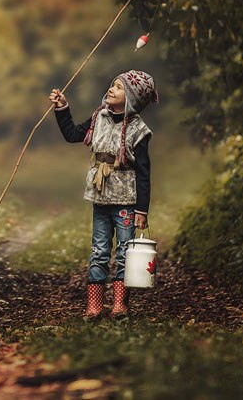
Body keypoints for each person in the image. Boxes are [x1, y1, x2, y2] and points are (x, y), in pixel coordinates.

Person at [49, 71, 158, 320]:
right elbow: (73, 134)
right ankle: (94, 306)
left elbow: (143, 172)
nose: (111, 89)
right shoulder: (99, 117)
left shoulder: (138, 130)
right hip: (100, 198)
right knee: (99, 251)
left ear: (131, 99)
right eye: (112, 85)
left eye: (118, 88)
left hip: (126, 202)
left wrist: (142, 210)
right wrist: (63, 108)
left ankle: (120, 305)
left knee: (123, 252)